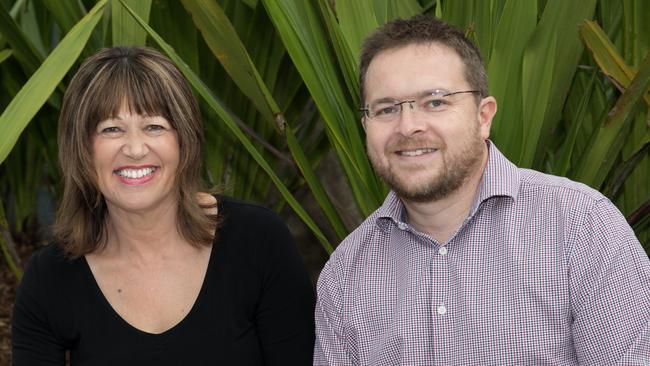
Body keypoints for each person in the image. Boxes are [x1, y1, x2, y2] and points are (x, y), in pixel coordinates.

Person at [314, 15, 650, 365]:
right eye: (386, 109)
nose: (409, 126)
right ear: (366, 126)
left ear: (483, 116)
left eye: (435, 102)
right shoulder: (346, 276)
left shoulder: (579, 228)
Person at [12, 46, 315, 365]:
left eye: (154, 126)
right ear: (82, 150)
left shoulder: (259, 241)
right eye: (111, 129)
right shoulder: (51, 278)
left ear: (185, 139)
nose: (135, 149)